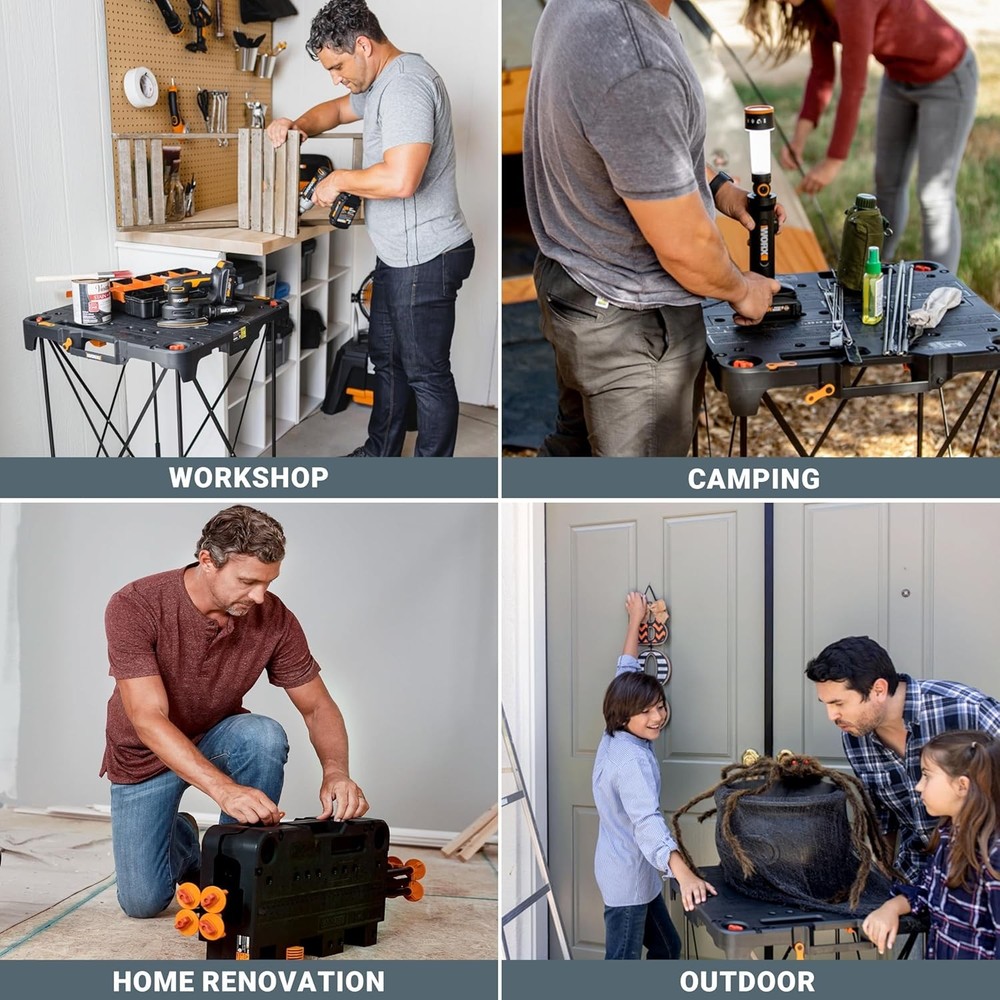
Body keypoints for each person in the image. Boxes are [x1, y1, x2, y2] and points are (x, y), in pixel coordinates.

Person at [522, 0, 780, 458]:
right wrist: (743, 290)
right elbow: (683, 248)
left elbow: (636, 145)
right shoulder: (636, 62)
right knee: (641, 504)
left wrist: (717, 188)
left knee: (574, 449)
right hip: (632, 322)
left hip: (572, 279)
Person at [101, 505, 368, 918]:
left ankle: (234, 875)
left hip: (216, 738)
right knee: (142, 902)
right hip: (144, 754)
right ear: (208, 561)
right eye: (247, 582)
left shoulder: (273, 617)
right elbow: (148, 717)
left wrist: (336, 771)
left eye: (268, 582)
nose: (260, 596)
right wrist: (223, 790)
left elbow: (317, 706)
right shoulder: (136, 604)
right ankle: (186, 837)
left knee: (261, 734)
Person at [267, 1, 475, 457]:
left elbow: (402, 179)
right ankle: (380, 453)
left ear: (363, 45)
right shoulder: (379, 82)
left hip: (426, 257)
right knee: (387, 363)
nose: (336, 77)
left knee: (426, 374)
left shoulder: (405, 85)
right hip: (399, 257)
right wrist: (297, 126)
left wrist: (340, 179)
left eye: (338, 66)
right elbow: (338, 111)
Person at [743, 0, 978, 273]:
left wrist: (833, 161)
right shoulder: (815, 8)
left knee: (934, 195)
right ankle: (874, 274)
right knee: (887, 182)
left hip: (947, 77)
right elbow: (821, 74)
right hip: (898, 80)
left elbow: (853, 87)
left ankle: (942, 287)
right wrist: (799, 139)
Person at [806, 635, 1000, 882]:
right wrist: (882, 883)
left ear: (879, 690)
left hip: (984, 874)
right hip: (916, 877)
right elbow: (883, 819)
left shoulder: (967, 708)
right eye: (826, 704)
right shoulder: (855, 735)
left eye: (838, 703)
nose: (832, 716)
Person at [593, 591, 716, 959]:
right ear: (624, 713)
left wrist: (636, 618)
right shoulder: (632, 762)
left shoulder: (614, 730)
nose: (657, 717)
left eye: (660, 706)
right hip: (628, 881)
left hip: (635, 870)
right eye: (646, 711)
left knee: (667, 945)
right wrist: (684, 873)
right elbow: (646, 822)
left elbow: (626, 671)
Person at [862, 730, 1000, 959]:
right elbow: (927, 892)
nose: (918, 786)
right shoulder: (948, 838)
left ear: (962, 786)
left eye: (926, 775)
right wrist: (891, 909)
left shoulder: (993, 855)